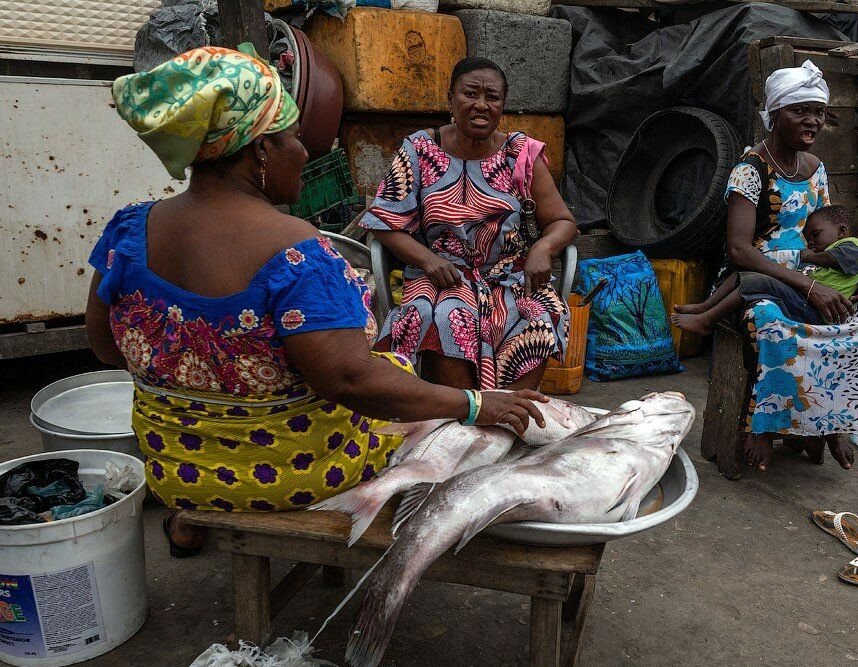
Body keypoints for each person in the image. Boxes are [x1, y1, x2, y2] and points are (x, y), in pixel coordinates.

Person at [86, 46, 547, 557]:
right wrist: (476, 404)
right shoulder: (295, 252)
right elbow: (349, 380)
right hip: (290, 472)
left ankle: (191, 521)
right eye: (294, 139)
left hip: (178, 471)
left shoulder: (127, 232)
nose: (306, 153)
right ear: (260, 150)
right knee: (402, 384)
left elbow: (107, 350)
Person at [690, 60, 858, 472]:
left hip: (811, 274)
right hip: (755, 277)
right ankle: (763, 426)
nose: (812, 121)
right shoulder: (750, 171)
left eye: (818, 112)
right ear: (774, 114)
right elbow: (739, 249)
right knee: (771, 322)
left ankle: (832, 421)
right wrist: (809, 288)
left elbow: (830, 232)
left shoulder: (816, 168)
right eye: (799, 111)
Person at [367, 57, 578, 391]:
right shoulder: (420, 148)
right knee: (443, 318)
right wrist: (428, 260)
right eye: (470, 94)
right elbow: (383, 221)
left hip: (509, 276)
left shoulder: (520, 153)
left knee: (538, 313)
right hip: (441, 276)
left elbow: (563, 221)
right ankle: (462, 418)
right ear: (451, 98)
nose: (481, 104)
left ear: (502, 106)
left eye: (492, 97)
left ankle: (511, 419)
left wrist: (543, 247)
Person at [672, 204, 858, 334]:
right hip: (805, 299)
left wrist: (807, 255)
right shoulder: (832, 248)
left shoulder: (852, 245)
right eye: (808, 240)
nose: (811, 243)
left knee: (757, 282)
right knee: (744, 275)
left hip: (818, 311)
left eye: (816, 235)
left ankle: (707, 321)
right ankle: (705, 306)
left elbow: (835, 258)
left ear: (842, 232)